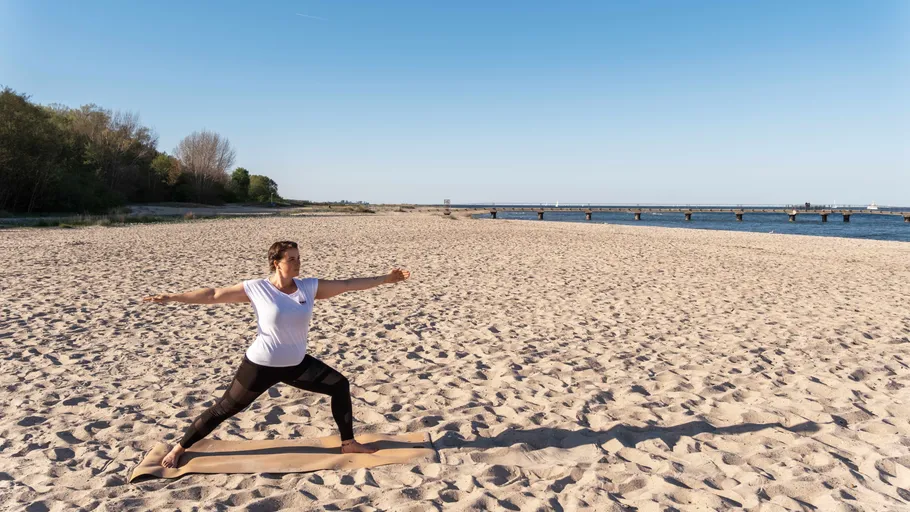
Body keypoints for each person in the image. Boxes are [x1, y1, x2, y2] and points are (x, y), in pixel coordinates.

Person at [142, 240, 411, 468]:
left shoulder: (308, 287)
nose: (297, 263)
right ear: (276, 263)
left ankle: (348, 443)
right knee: (226, 408)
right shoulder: (257, 288)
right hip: (261, 365)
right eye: (291, 259)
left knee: (339, 385)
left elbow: (348, 283)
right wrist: (174, 297)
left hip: (296, 364)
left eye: (299, 258)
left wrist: (384, 279)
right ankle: (179, 447)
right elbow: (213, 295)